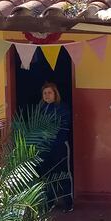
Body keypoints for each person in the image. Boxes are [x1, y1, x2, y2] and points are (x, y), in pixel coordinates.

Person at [37, 82, 73, 212]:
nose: (47, 95)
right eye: (45, 93)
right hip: (44, 148)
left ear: (55, 94)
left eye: (49, 93)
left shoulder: (62, 108)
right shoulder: (41, 107)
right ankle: (50, 202)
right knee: (47, 174)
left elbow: (64, 128)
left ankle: (68, 203)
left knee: (62, 174)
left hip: (59, 146)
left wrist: (55, 142)